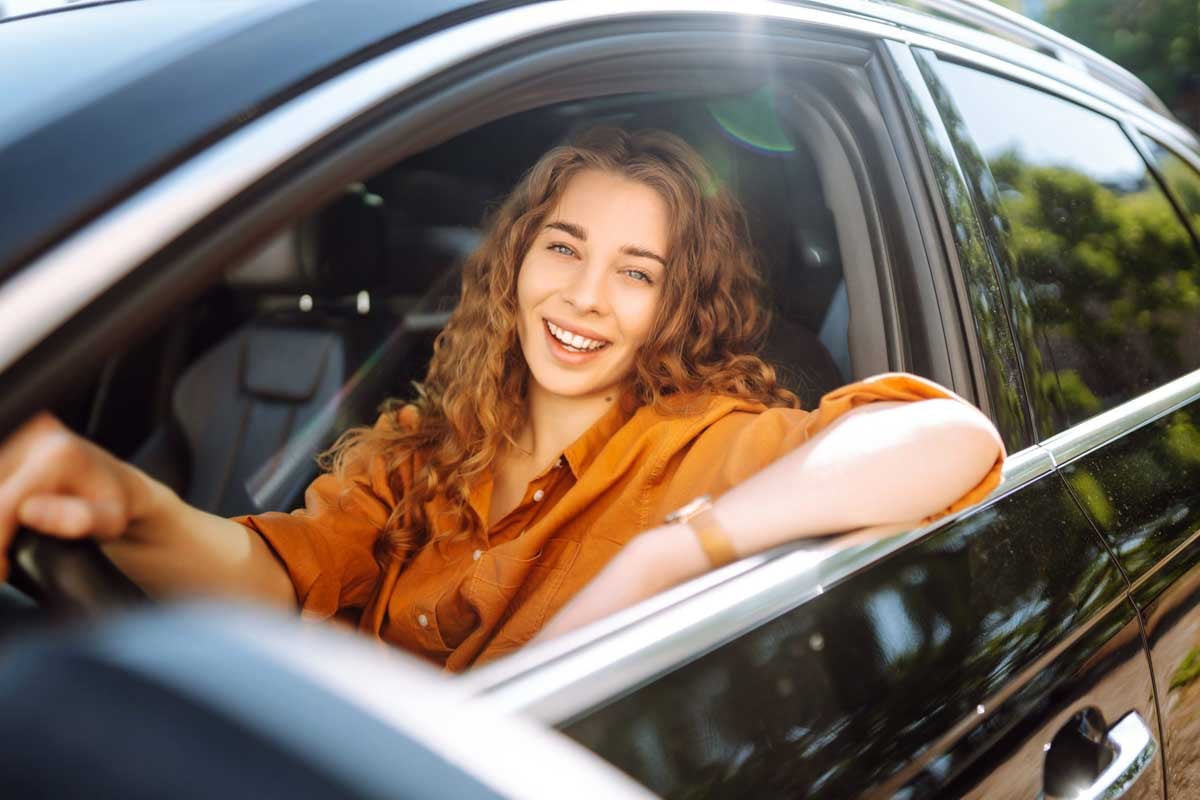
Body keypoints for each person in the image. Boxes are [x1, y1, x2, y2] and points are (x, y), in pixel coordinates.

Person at [0, 128, 1004, 671]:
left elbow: (952, 436)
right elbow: (281, 579)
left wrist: (670, 549)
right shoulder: (419, 445)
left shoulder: (698, 443)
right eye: (564, 246)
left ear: (674, 308)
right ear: (517, 257)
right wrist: (127, 504)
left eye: (636, 272)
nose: (582, 296)